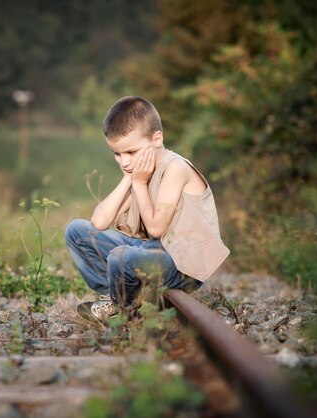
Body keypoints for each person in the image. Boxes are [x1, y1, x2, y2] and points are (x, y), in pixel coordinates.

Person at [65, 96, 229, 324]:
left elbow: (155, 228)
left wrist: (139, 184)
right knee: (76, 230)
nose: (124, 161)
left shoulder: (175, 168)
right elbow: (99, 222)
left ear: (156, 138)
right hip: (151, 252)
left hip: (180, 262)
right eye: (117, 154)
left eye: (131, 152)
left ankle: (120, 306)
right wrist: (128, 180)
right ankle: (111, 297)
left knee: (121, 257)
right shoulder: (138, 171)